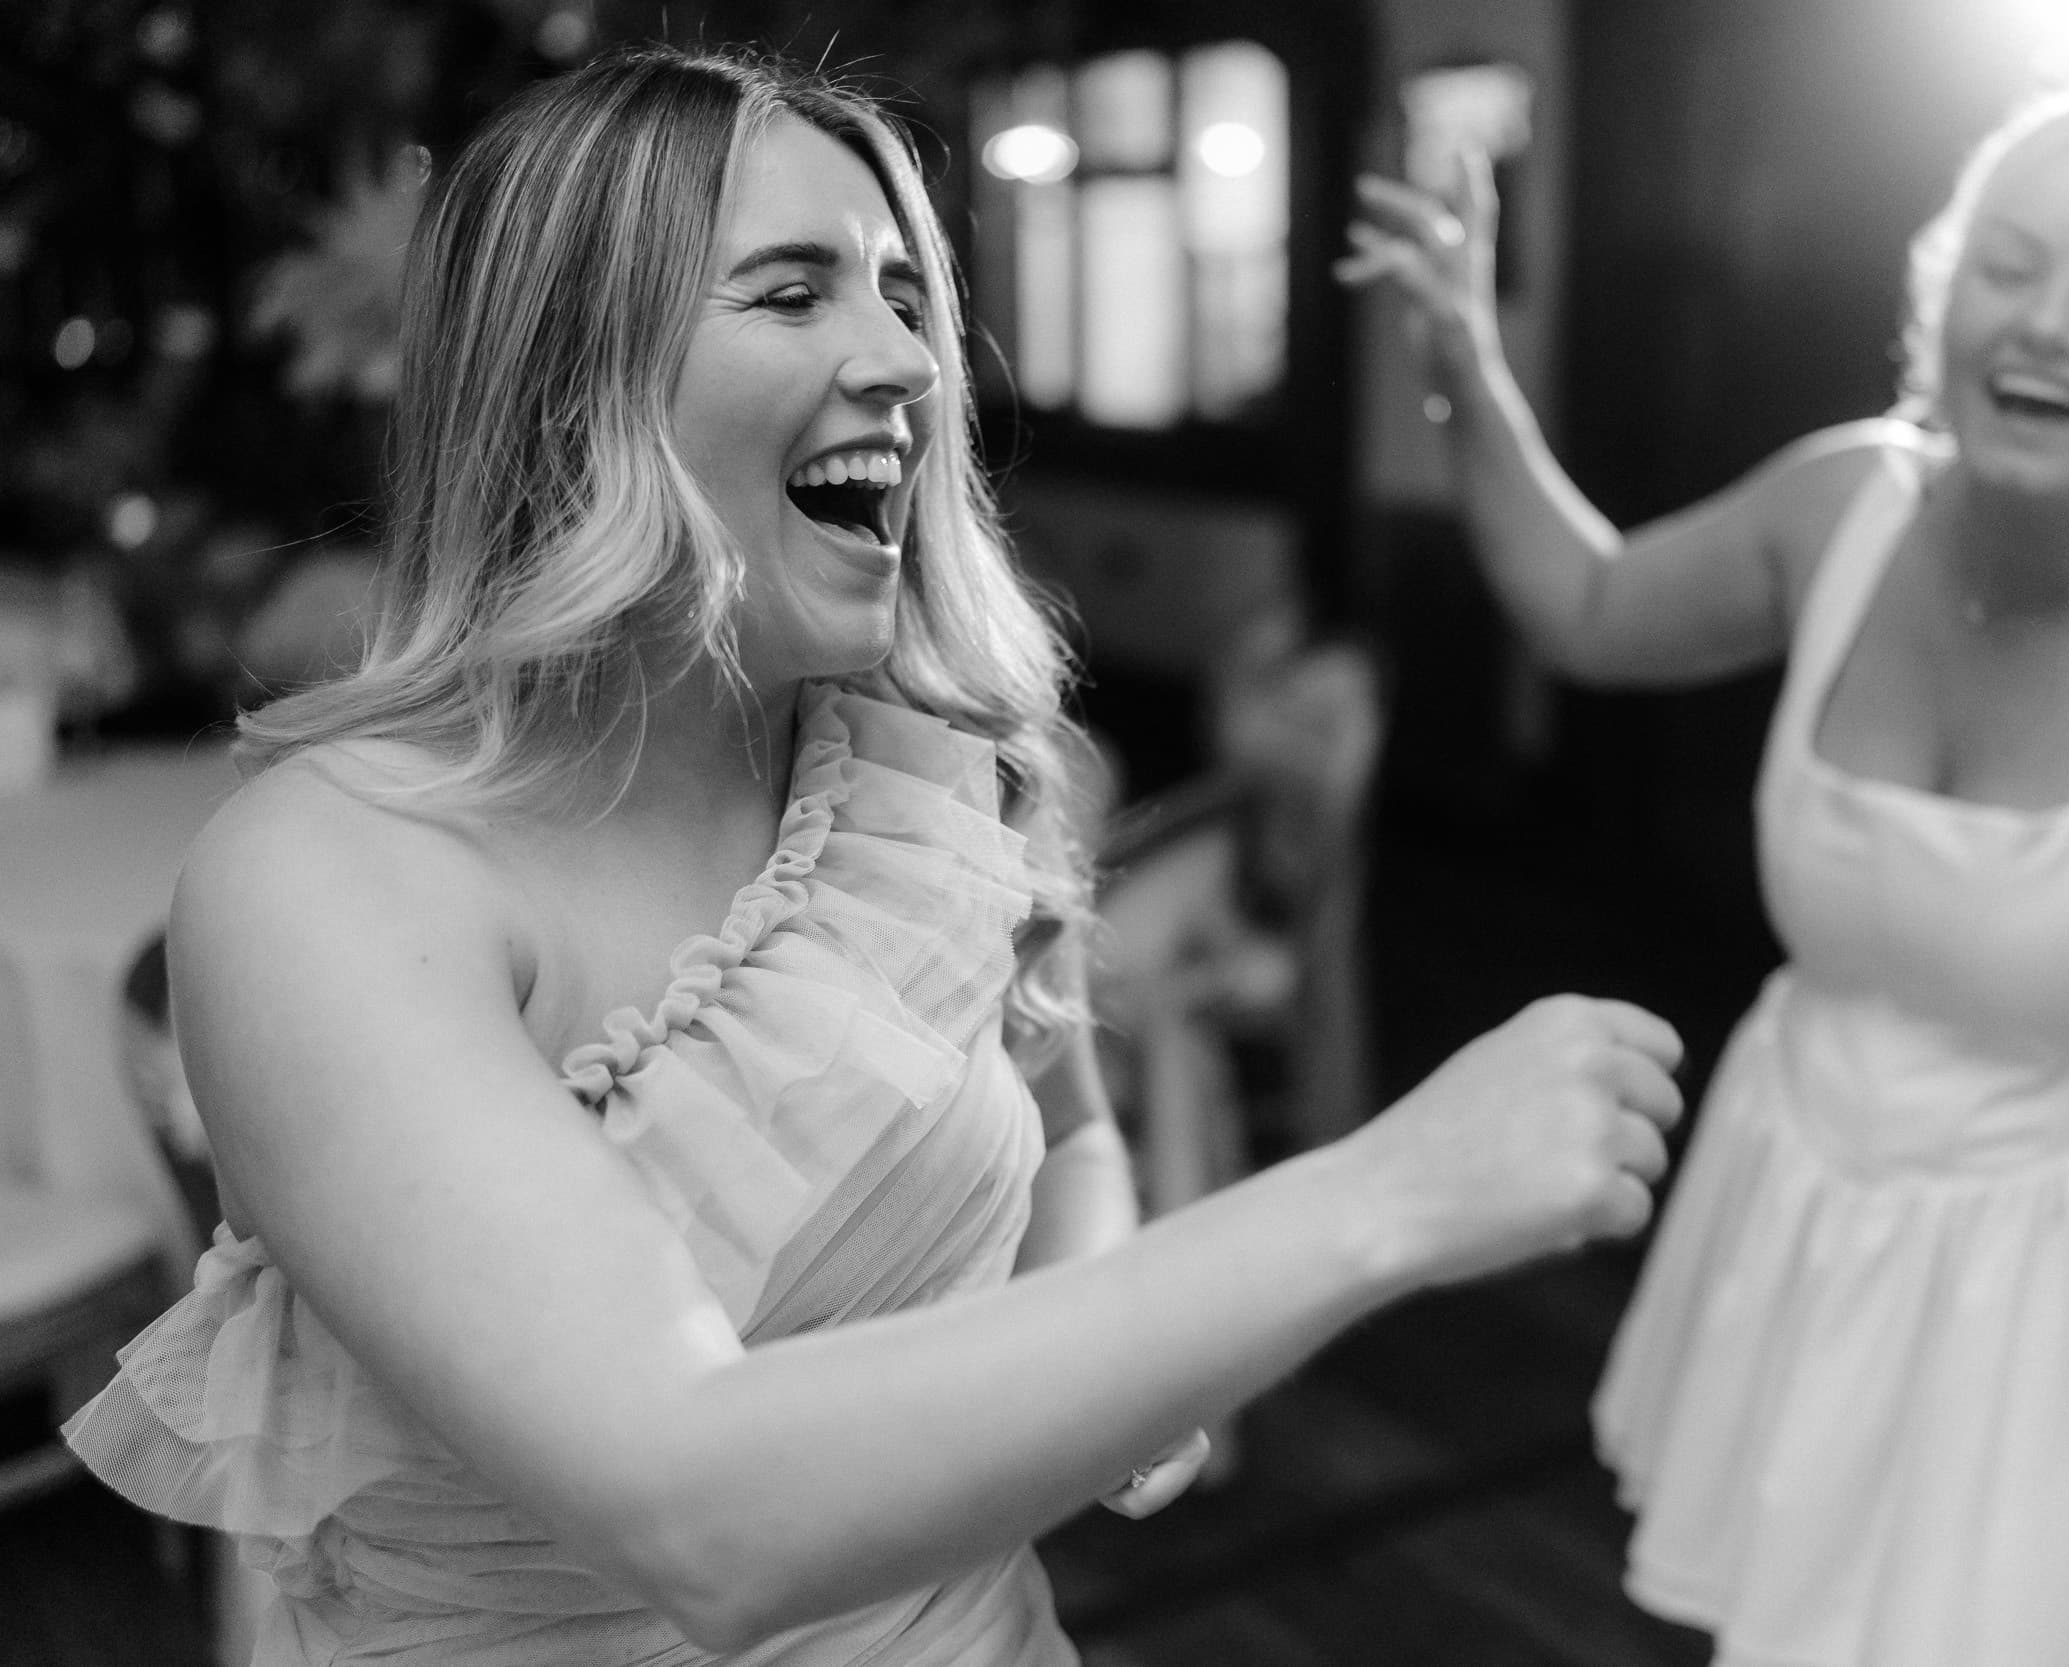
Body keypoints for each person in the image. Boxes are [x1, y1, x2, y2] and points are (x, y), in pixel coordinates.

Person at [66, 46, 1688, 1666]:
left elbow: (1075, 1135)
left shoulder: (930, 772)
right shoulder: (328, 885)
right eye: (794, 294)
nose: (911, 360)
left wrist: (1105, 1354)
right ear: (568, 384)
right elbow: (697, 1514)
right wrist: (1388, 1194)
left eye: (906, 296)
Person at [1341, 12, 2069, 1665]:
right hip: (1810, 1211)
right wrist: (1464, 360)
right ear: (1943, 294)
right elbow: (1591, 606)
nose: (2047, 322)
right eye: (2012, 265)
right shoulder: (1845, 503)